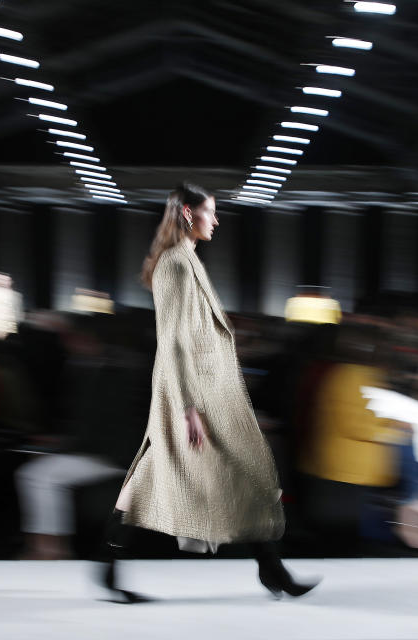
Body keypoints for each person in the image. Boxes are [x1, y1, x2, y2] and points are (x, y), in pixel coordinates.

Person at [98, 182, 318, 603]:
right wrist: (188, 408)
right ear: (186, 213)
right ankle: (272, 570)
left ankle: (271, 569)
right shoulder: (176, 265)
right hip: (194, 392)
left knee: (223, 475)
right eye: (209, 212)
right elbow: (174, 340)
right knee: (229, 474)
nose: (215, 220)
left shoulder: (185, 261)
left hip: (205, 390)